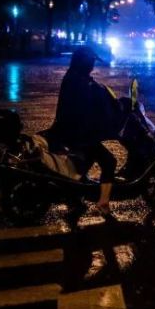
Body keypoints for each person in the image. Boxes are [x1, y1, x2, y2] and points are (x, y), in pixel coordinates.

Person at [47, 46, 121, 218]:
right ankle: (103, 203)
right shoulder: (81, 83)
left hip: (69, 131)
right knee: (109, 161)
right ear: (86, 63)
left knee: (83, 166)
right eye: (92, 62)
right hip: (79, 135)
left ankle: (74, 198)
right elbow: (88, 109)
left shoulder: (73, 77)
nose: (93, 66)